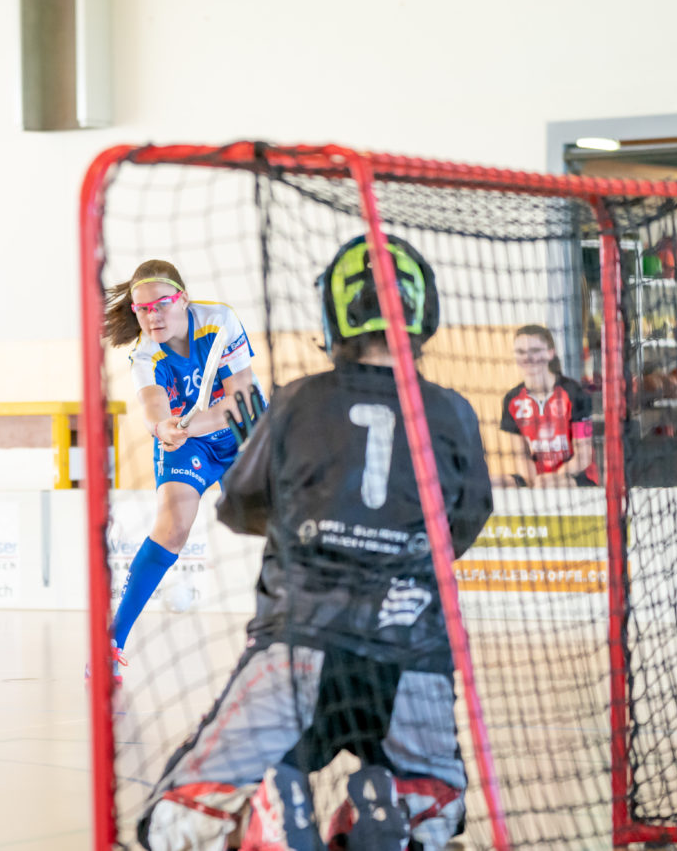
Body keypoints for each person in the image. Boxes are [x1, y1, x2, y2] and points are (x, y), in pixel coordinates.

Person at [138, 235, 493, 851]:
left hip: (297, 644)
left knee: (169, 826)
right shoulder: (454, 411)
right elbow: (461, 527)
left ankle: (274, 811)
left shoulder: (298, 401)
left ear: (334, 317)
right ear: (423, 313)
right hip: (412, 652)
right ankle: (387, 806)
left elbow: (243, 510)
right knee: (437, 818)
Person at [99, 258, 260, 682]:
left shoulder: (218, 321)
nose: (153, 316)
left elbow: (240, 399)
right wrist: (164, 427)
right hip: (189, 443)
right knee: (172, 525)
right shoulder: (145, 354)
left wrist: (187, 424)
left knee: (279, 522)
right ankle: (111, 643)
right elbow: (154, 410)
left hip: (241, 431)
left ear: (183, 299)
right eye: (142, 309)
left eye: (162, 305)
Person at [498, 324, 598, 488]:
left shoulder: (574, 393)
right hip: (535, 480)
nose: (528, 358)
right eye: (521, 352)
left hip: (573, 478)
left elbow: (583, 456)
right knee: (492, 483)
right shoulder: (511, 399)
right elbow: (521, 456)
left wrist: (552, 479)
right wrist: (534, 481)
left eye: (535, 351)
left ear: (551, 353)